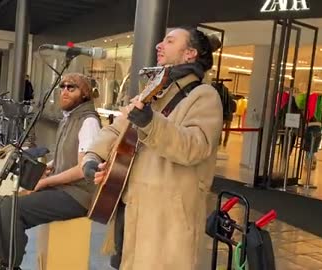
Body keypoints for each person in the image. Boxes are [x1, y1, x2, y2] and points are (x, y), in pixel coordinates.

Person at [82, 27, 224, 270]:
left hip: (167, 220)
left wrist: (150, 121)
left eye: (169, 41)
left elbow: (194, 147)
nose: (159, 45)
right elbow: (117, 129)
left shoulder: (204, 95)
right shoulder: (154, 90)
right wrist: (92, 157)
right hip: (133, 209)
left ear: (190, 53)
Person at [0, 73, 101, 270]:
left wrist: (45, 182)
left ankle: (8, 264)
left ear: (84, 94)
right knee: (4, 202)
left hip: (78, 195)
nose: (65, 91)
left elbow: (81, 169)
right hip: (63, 189)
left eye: (72, 88)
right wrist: (49, 166)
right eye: (63, 87)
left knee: (13, 208)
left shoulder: (88, 122)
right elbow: (65, 155)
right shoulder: (69, 118)